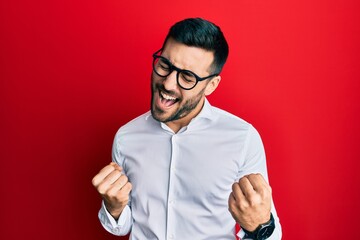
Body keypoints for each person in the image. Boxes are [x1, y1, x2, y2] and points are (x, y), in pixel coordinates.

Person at [92, 17, 282, 240]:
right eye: (165, 66)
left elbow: (268, 232)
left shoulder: (242, 139)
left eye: (187, 77)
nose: (168, 83)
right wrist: (114, 208)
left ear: (211, 85)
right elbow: (123, 227)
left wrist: (260, 225)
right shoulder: (126, 137)